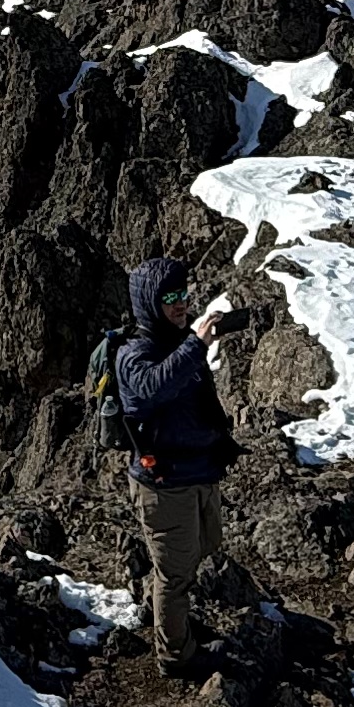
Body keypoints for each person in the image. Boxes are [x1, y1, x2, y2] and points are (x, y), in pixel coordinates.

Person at [110, 255, 241, 679]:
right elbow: (152, 387)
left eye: (183, 295)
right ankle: (175, 656)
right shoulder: (135, 353)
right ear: (149, 302)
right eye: (169, 297)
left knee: (202, 548)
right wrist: (196, 344)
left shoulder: (178, 340)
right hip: (165, 484)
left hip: (199, 472)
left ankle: (173, 620)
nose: (179, 304)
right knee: (175, 573)